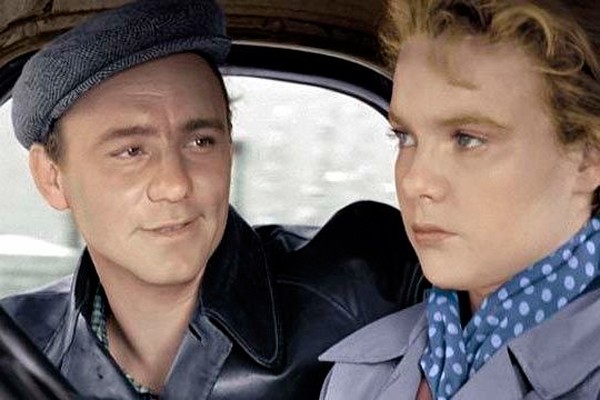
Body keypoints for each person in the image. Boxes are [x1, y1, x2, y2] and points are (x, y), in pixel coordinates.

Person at [0, 0, 428, 399]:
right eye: (131, 151)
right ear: (51, 177)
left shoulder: (368, 288)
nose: (175, 184)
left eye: (201, 141)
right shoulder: (14, 348)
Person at [319, 1, 600, 399]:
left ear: (589, 157)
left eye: (468, 139)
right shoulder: (359, 375)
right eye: (405, 137)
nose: (414, 181)